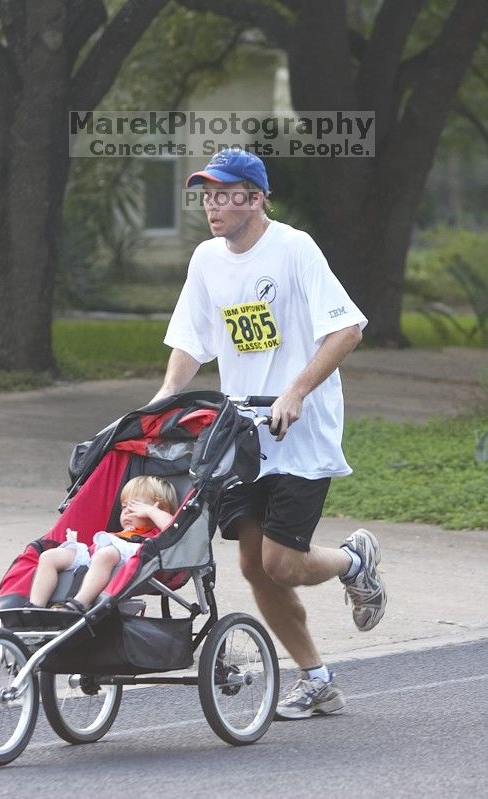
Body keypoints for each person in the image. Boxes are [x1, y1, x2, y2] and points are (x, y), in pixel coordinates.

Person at [150, 148, 387, 719]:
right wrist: (164, 397)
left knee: (282, 563)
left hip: (300, 433)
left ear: (256, 199)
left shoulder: (294, 249)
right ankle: (318, 679)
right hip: (242, 435)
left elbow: (348, 329)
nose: (213, 205)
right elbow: (190, 339)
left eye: (226, 194)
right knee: (254, 566)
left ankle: (354, 562)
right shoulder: (207, 260)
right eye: (207, 195)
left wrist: (296, 391)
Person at [28, 476, 178, 612]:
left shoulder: (157, 531)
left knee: (106, 553)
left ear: (160, 508)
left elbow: (175, 528)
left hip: (136, 557)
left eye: (134, 507)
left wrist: (151, 511)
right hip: (96, 555)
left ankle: (80, 603)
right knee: (49, 556)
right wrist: (73, 544)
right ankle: (35, 607)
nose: (126, 511)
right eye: (124, 506)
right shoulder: (120, 533)